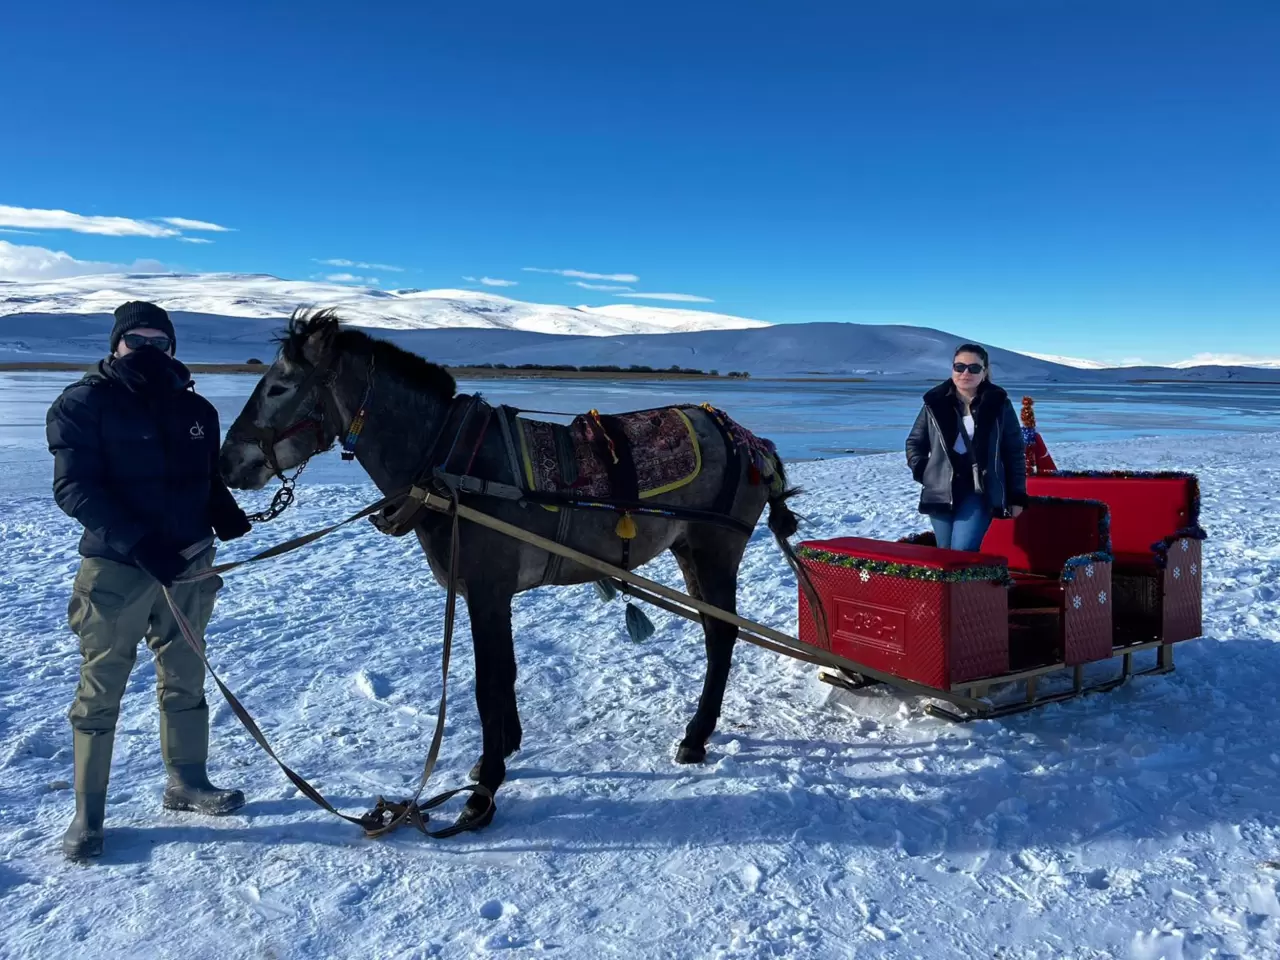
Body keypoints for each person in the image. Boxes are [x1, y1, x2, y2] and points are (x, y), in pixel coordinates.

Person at [46, 301, 252, 862]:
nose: (148, 352)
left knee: (185, 678)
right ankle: (88, 814)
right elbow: (76, 490)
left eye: (160, 343)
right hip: (116, 571)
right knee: (100, 691)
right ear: (116, 345)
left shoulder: (197, 410)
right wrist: (140, 544)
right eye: (136, 341)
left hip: (189, 566)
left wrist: (226, 512)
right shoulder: (83, 404)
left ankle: (187, 782)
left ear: (173, 349)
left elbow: (204, 478)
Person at [905, 343, 1028, 551]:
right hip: (941, 489)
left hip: (979, 489)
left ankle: (971, 584)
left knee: (962, 550)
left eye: (974, 368)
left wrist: (1017, 496)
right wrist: (925, 471)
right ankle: (957, 586)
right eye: (959, 367)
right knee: (944, 552)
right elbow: (914, 443)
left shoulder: (998, 404)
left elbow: (1014, 451)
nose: (965, 373)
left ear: (985, 372)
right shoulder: (934, 403)